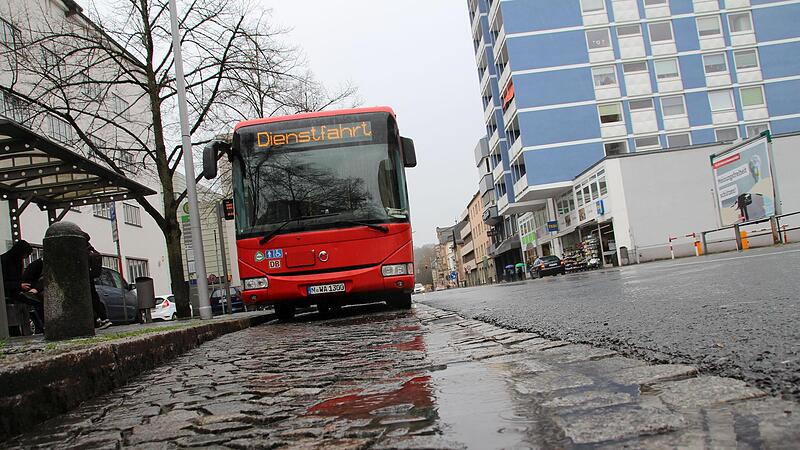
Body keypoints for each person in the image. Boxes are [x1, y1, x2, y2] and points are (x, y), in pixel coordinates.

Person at [1, 240, 44, 333]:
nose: (26, 257)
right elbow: (3, 283)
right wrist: (19, 286)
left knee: (36, 301)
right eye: (26, 255)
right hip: (10, 292)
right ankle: (40, 327)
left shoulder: (16, 261)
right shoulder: (4, 261)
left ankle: (39, 326)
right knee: (36, 302)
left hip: (16, 290)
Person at [83, 232, 112, 329]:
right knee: (94, 298)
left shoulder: (83, 251)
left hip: (84, 278)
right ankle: (102, 319)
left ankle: (99, 319)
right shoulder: (91, 250)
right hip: (90, 277)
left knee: (91, 298)